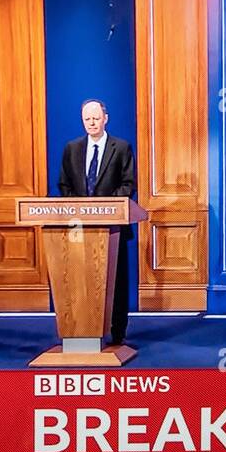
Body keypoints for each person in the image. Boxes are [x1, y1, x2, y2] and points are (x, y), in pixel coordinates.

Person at [57, 98, 137, 346]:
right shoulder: (72, 148)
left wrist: (101, 209)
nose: (91, 123)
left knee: (116, 281)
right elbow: (63, 184)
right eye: (87, 119)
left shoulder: (121, 147)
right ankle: (83, 330)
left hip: (113, 230)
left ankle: (118, 331)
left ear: (105, 118)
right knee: (81, 279)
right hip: (80, 230)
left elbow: (128, 185)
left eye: (95, 118)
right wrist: (83, 210)